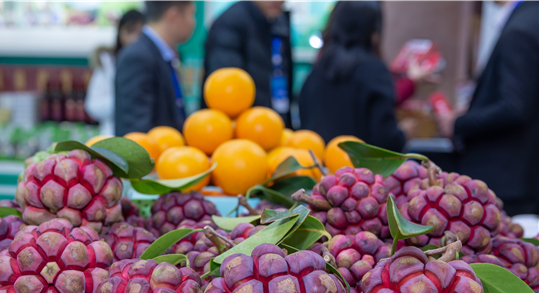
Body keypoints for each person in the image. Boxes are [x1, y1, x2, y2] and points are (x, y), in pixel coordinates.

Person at [437, 1, 539, 215]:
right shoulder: (528, 19)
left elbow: (514, 107)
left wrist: (458, 123)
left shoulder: (520, 30)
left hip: (507, 178)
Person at [298, 2, 414, 151]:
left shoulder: (318, 69)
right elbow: (385, 140)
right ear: (373, 32)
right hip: (358, 172)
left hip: (317, 167)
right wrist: (403, 134)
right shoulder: (374, 71)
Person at [202, 1, 293, 127]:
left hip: (271, 124)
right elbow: (225, 92)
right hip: (244, 129)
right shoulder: (231, 22)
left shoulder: (278, 20)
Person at [115, 1, 195, 136]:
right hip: (155, 155)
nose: (193, 23)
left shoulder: (163, 55)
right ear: (174, 16)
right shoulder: (138, 57)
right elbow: (136, 131)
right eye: (191, 15)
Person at [85, 10, 144, 137]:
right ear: (120, 33)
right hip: (112, 137)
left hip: (144, 138)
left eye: (139, 33)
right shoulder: (107, 62)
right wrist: (124, 102)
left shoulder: (152, 63)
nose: (134, 39)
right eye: (130, 31)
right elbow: (93, 106)